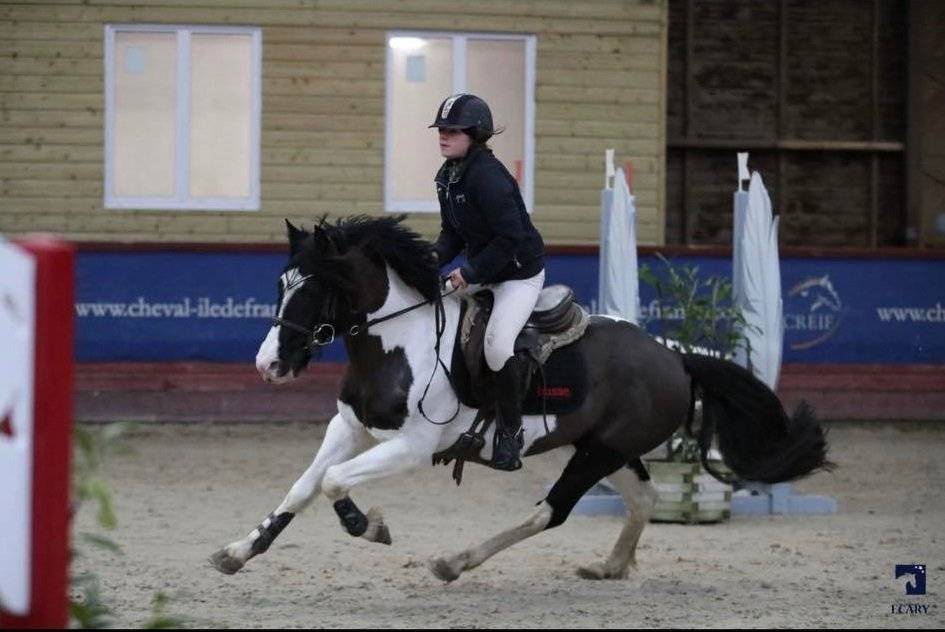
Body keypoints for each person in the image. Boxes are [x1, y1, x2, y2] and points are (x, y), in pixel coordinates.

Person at [429, 93, 545, 471]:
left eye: (452, 131)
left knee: (497, 348)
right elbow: (452, 233)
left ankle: (510, 434)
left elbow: (510, 238)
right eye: (441, 130)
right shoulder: (448, 175)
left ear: (474, 134)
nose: (443, 136)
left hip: (517, 275)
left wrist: (470, 273)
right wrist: (432, 258)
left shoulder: (489, 178)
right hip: (484, 270)